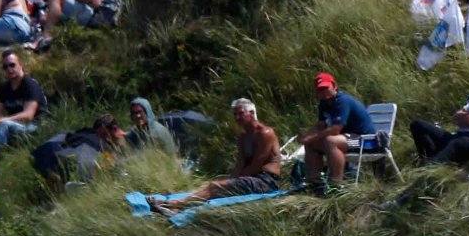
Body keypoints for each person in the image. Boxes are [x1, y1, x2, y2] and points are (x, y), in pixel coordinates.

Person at [151, 97, 280, 213]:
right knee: (217, 187)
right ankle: (179, 207)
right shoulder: (242, 136)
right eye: (235, 114)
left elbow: (258, 164)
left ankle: (177, 204)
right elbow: (240, 163)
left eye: (240, 114)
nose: (237, 118)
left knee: (216, 186)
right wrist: (232, 179)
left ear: (251, 113)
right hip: (250, 178)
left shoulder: (265, 133)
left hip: (265, 181)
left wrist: (232, 181)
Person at [300, 72, 373, 195]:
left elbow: (336, 129)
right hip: (347, 138)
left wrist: (312, 136)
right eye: (320, 90)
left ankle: (336, 185)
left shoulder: (342, 101)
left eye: (326, 88)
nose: (324, 92)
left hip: (365, 139)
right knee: (311, 144)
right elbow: (321, 126)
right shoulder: (324, 104)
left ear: (334, 86)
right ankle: (315, 183)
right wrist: (306, 136)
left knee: (330, 141)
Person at [0, 53, 47, 161]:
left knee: (4, 124)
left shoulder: (30, 85)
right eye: (5, 67)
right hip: (15, 124)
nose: (9, 69)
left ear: (21, 64)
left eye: (12, 65)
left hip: (35, 126)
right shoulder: (4, 87)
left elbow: (28, 115)